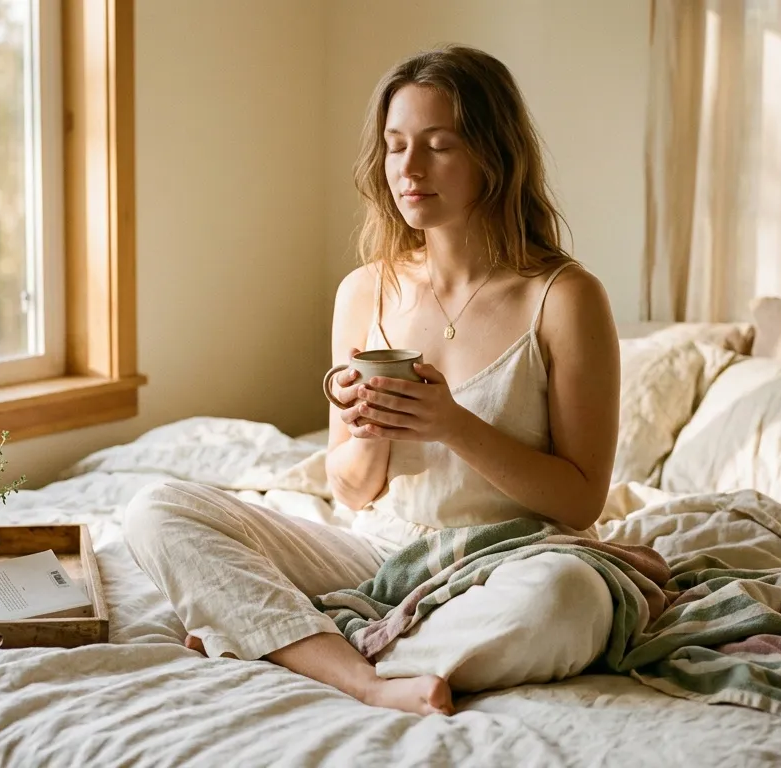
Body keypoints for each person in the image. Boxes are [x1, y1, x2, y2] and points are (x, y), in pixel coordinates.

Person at [124, 44, 621, 717]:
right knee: (155, 510)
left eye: (438, 146)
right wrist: (369, 431)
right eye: (395, 146)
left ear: (494, 156)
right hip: (378, 551)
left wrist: (452, 425)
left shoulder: (563, 298)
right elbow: (352, 489)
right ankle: (361, 678)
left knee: (571, 600)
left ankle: (287, 638)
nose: (408, 169)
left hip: (511, 557)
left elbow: (581, 502)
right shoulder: (365, 291)